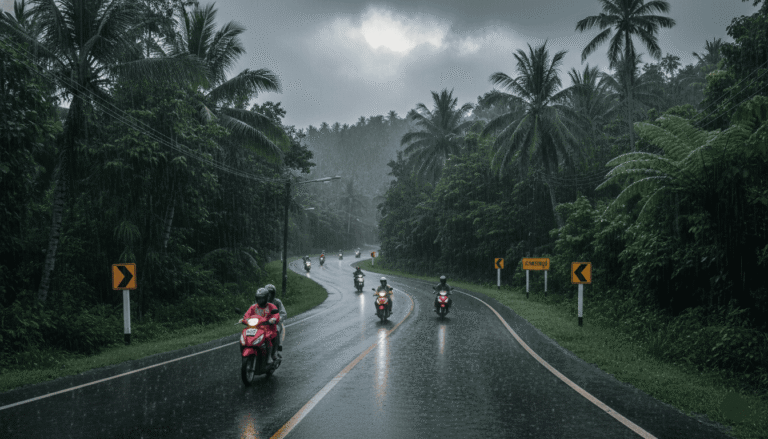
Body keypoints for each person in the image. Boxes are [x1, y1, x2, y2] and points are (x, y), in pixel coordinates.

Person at [240, 288, 280, 363]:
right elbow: (247, 315)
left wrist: (273, 319)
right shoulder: (253, 307)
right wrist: (243, 319)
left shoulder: (271, 306)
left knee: (267, 338)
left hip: (267, 328)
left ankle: (269, 357)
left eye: (262, 298)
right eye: (258, 298)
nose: (260, 300)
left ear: (266, 298)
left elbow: (276, 314)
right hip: (255, 327)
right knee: (244, 335)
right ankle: (245, 352)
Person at [265, 284, 287, 360]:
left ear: (273, 294)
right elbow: (254, 310)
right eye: (268, 293)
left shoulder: (277, 302)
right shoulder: (261, 301)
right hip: (263, 323)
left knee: (276, 331)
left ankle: (274, 352)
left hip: (275, 323)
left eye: (271, 293)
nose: (269, 295)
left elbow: (283, 313)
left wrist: (278, 318)